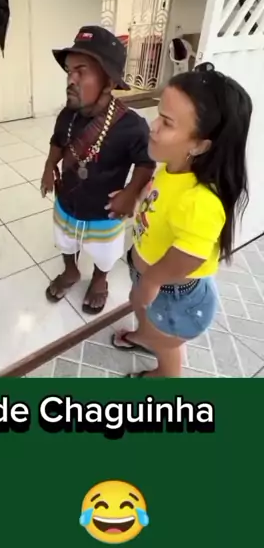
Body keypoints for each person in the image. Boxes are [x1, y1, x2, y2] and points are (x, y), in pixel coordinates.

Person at [112, 61, 252, 377]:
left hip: (173, 294)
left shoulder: (200, 201)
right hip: (149, 275)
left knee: (167, 343)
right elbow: (161, 198)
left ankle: (166, 376)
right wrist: (137, 197)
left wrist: (152, 280)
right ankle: (145, 335)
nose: (152, 126)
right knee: (141, 308)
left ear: (199, 145)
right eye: (158, 114)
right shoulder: (173, 167)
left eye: (166, 122)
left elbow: (189, 257)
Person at [41, 26, 155, 314]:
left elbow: (146, 162)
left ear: (108, 81)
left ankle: (100, 279)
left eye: (81, 72)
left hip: (105, 210)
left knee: (105, 252)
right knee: (65, 240)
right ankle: (70, 271)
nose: (71, 80)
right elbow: (58, 142)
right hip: (68, 199)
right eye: (69, 71)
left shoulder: (132, 126)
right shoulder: (67, 115)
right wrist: (49, 166)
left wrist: (131, 193)